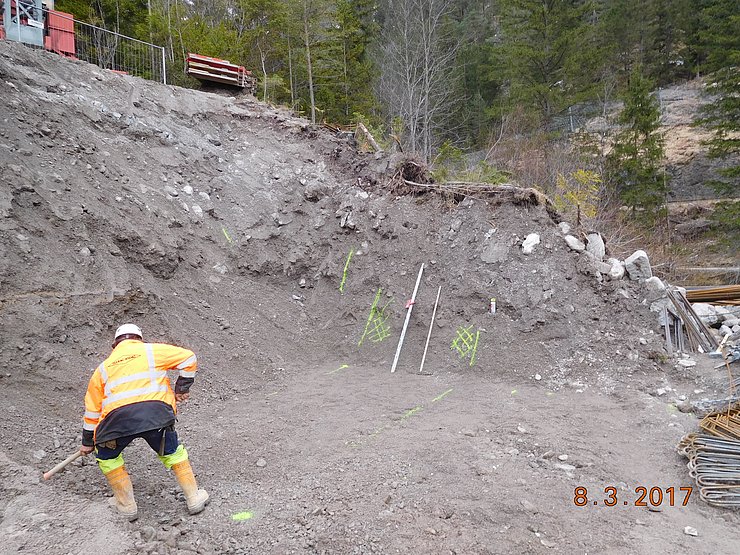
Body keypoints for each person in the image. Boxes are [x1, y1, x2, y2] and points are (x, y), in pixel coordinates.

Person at [80, 323, 209, 521]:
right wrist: (182, 389)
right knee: (173, 453)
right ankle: (193, 498)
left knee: (107, 457)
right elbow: (188, 358)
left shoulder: (102, 369)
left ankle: (126, 506)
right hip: (155, 415)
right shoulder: (151, 351)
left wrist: (88, 442)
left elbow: (92, 410)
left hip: (115, 421)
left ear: (115, 345)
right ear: (139, 339)